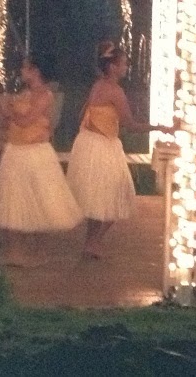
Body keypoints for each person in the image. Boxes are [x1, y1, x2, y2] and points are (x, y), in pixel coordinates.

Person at [66, 41, 172, 259]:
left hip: (88, 143)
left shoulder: (98, 85)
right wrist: (158, 127)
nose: (126, 67)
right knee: (117, 195)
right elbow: (130, 125)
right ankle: (93, 242)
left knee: (98, 198)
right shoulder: (115, 91)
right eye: (123, 64)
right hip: (102, 146)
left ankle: (90, 243)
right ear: (112, 67)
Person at [0, 53, 82, 266]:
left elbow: (26, 121)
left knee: (40, 201)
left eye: (25, 67)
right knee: (13, 201)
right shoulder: (24, 94)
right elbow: (11, 122)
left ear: (35, 71)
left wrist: (7, 110)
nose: (21, 71)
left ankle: (38, 252)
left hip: (35, 153)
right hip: (16, 151)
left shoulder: (45, 95)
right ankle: (15, 251)